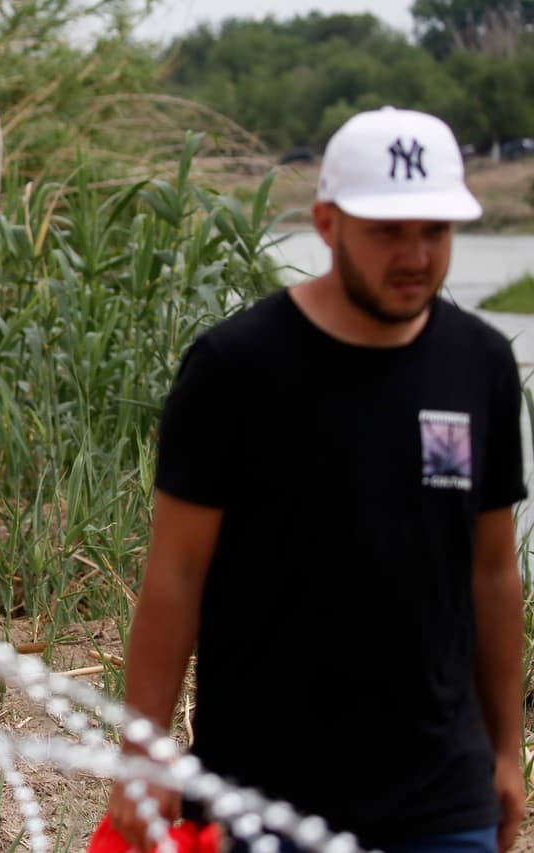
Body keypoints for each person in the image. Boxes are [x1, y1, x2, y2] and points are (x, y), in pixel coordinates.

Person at [108, 107, 526, 853]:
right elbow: (176, 571)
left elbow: (493, 571)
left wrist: (504, 751)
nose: (417, 255)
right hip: (270, 797)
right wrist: (141, 753)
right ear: (328, 224)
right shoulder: (235, 369)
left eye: (436, 231)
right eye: (389, 232)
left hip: (445, 797)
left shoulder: (482, 364)